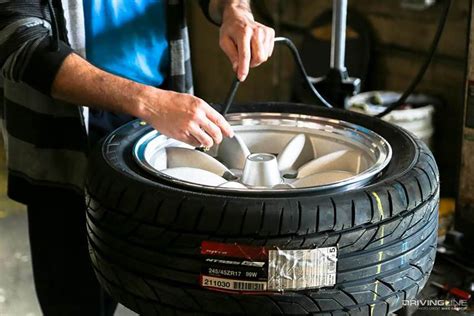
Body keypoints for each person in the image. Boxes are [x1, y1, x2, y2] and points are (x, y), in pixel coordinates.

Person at [0, 0, 274, 314]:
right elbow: (21, 41)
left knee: (175, 292)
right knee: (75, 299)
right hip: (65, 139)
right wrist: (150, 102)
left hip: (163, 121)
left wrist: (235, 11)